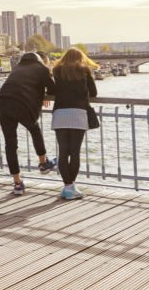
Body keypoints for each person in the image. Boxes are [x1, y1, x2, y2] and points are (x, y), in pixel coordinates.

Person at [0, 52, 57, 195]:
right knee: (34, 130)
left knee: (10, 144)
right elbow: (54, 89)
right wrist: (43, 94)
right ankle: (43, 164)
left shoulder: (17, 68)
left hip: (2, 102)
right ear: (41, 60)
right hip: (21, 104)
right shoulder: (42, 69)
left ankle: (17, 183)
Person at [50, 48, 98, 200]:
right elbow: (94, 92)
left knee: (63, 152)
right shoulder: (84, 70)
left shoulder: (57, 70)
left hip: (60, 114)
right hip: (78, 113)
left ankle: (67, 187)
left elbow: (53, 90)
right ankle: (71, 187)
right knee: (75, 152)